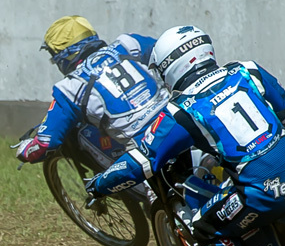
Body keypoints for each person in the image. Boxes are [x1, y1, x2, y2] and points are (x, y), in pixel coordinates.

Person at [84, 25, 285, 246]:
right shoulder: (247, 69)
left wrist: (101, 184)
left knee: (207, 226)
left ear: (170, 67)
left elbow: (140, 162)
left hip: (263, 189)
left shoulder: (181, 110)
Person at [14, 15, 169, 164]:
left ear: (62, 56)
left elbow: (46, 143)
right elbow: (168, 52)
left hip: (144, 143)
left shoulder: (70, 87)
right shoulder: (128, 43)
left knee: (105, 184)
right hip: (174, 115)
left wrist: (25, 151)